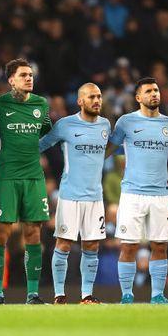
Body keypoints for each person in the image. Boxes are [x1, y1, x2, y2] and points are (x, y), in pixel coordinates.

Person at [0, 58, 52, 304]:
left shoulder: (40, 104)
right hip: (6, 177)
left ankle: (33, 293)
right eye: (23, 75)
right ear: (11, 80)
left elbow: (46, 132)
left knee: (33, 234)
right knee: (1, 233)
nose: (29, 78)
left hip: (34, 177)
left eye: (31, 75)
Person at [39, 83, 112, 304]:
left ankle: (86, 295)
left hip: (95, 197)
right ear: (80, 101)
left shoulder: (105, 125)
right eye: (91, 97)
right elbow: (41, 145)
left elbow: (108, 149)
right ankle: (59, 295)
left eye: (98, 96)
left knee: (92, 245)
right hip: (70, 195)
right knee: (63, 243)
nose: (96, 100)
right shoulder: (65, 125)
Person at [107, 77, 168, 304]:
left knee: (160, 246)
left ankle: (157, 295)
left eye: (156, 90)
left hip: (160, 194)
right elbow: (110, 148)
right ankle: (127, 295)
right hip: (132, 194)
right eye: (148, 91)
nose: (154, 94)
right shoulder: (126, 122)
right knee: (129, 245)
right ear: (138, 97)